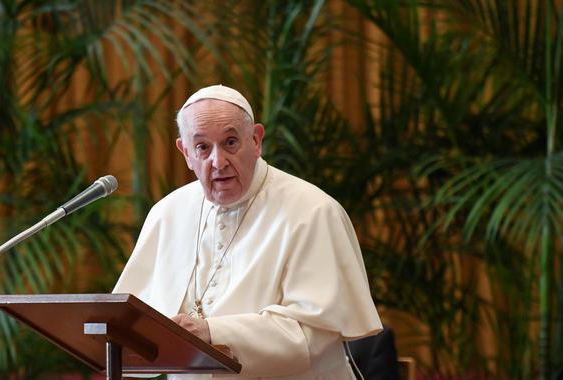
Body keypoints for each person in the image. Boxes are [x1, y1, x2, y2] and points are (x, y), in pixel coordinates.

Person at [114, 85, 382, 379]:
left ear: (256, 140)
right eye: (203, 147)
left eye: (230, 142)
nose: (218, 161)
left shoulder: (313, 211)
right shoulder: (168, 214)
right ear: (186, 153)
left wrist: (212, 331)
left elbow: (314, 335)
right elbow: (132, 329)